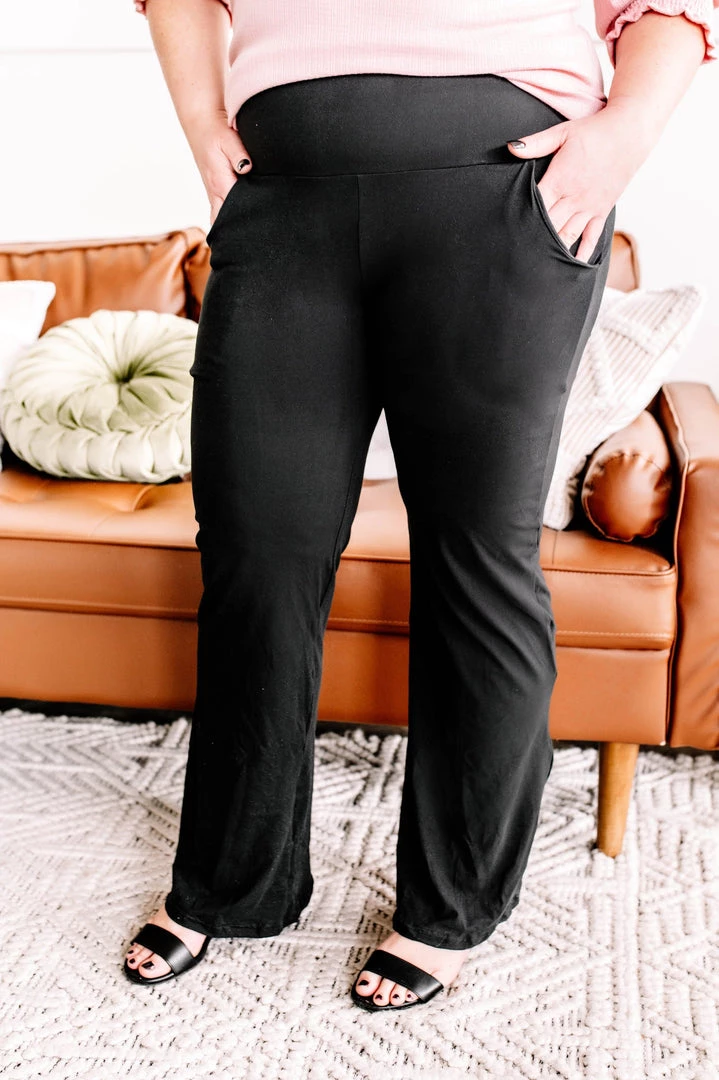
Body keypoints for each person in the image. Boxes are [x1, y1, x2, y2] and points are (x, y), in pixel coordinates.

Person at [123, 0, 717, 1011]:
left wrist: (617, 139)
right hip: (281, 198)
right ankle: (230, 882)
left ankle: (449, 909)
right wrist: (199, 122)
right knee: (255, 551)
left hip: (502, 196)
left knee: (473, 556)